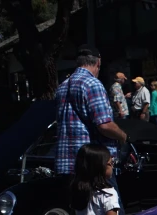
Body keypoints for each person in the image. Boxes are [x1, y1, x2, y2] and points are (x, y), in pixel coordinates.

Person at [54, 45, 128, 181]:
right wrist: (122, 136)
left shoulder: (62, 87)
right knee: (107, 202)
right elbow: (104, 125)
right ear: (98, 62)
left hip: (67, 164)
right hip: (92, 166)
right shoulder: (92, 84)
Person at [70, 144, 121, 215]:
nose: (112, 166)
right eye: (110, 164)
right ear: (100, 167)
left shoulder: (77, 189)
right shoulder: (108, 193)